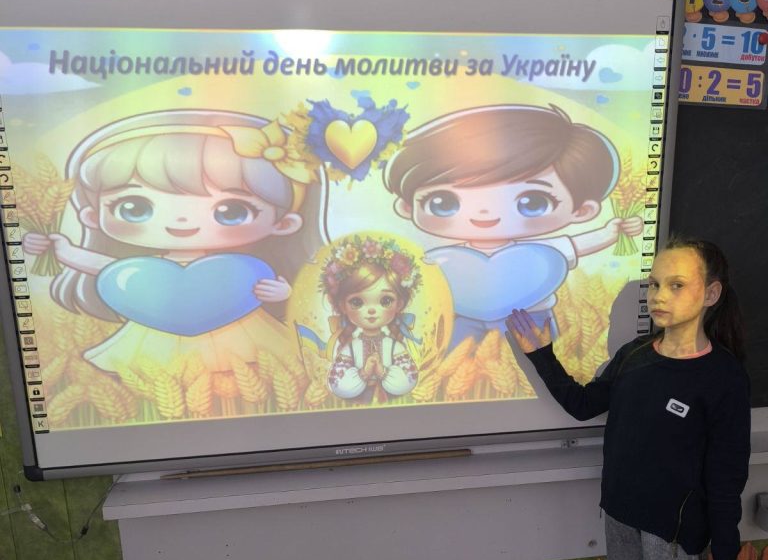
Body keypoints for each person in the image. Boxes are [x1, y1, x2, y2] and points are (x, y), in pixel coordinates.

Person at [506, 238, 751, 560]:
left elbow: (726, 476)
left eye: (676, 285)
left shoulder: (723, 377)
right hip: (621, 515)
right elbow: (582, 405)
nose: (659, 296)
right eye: (655, 284)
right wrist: (540, 353)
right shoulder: (635, 356)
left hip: (674, 535)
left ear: (711, 294)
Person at [22, 110, 326, 380]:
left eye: (231, 211)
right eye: (135, 207)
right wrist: (60, 249)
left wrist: (282, 292)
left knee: (249, 366)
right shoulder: (136, 271)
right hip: (156, 336)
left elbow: (294, 293)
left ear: (284, 224)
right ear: (93, 217)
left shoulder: (243, 270)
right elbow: (104, 267)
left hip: (242, 333)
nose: (181, 221)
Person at [384, 104, 642, 350]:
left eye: (532, 202)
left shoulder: (541, 255)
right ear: (407, 207)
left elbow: (576, 245)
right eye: (443, 202)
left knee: (534, 368)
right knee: (454, 360)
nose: (485, 213)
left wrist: (610, 232)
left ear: (582, 210)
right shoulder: (442, 259)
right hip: (460, 318)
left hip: (529, 318)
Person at [323, 236, 420, 403]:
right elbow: (337, 383)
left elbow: (409, 379)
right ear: (343, 306)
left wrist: (383, 372)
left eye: (385, 301)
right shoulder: (351, 347)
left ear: (399, 304)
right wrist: (364, 373)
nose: (372, 310)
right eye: (357, 302)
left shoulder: (393, 346)